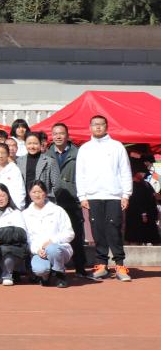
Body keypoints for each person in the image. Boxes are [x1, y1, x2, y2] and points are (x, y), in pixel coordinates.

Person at [76, 115, 133, 282]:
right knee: (97, 230)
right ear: (90, 127)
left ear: (107, 126)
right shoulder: (85, 148)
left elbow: (125, 171)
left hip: (114, 195)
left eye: (101, 124)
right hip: (93, 196)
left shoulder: (117, 146)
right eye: (95, 124)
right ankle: (101, 264)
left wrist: (126, 194)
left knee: (114, 229)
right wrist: (82, 196)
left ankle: (120, 264)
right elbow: (80, 174)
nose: (98, 127)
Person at [45, 122, 87, 277]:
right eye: (55, 133)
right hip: (53, 201)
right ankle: (52, 268)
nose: (58, 136)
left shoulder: (78, 153)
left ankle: (80, 267)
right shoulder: (46, 154)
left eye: (61, 133)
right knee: (52, 235)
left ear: (67, 136)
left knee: (76, 234)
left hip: (72, 200)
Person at [24, 180, 74, 288]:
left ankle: (60, 273)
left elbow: (69, 233)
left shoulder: (58, 210)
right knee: (40, 270)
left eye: (40, 191)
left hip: (59, 249)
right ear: (29, 194)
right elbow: (27, 238)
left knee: (52, 249)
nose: (37, 195)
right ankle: (45, 276)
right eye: (34, 192)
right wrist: (37, 250)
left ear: (45, 193)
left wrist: (53, 241)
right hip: (39, 251)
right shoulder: (25, 214)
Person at [15, 132, 59, 203]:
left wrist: (47, 197)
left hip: (44, 201)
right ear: (25, 144)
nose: (32, 146)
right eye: (29, 143)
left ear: (41, 144)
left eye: (35, 143)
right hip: (24, 201)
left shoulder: (49, 161)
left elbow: (57, 185)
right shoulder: (19, 161)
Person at [0, 142, 26, 209]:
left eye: (3, 153)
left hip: (11, 206)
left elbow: (20, 190)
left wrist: (18, 207)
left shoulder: (14, 169)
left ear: (8, 154)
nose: (0, 156)